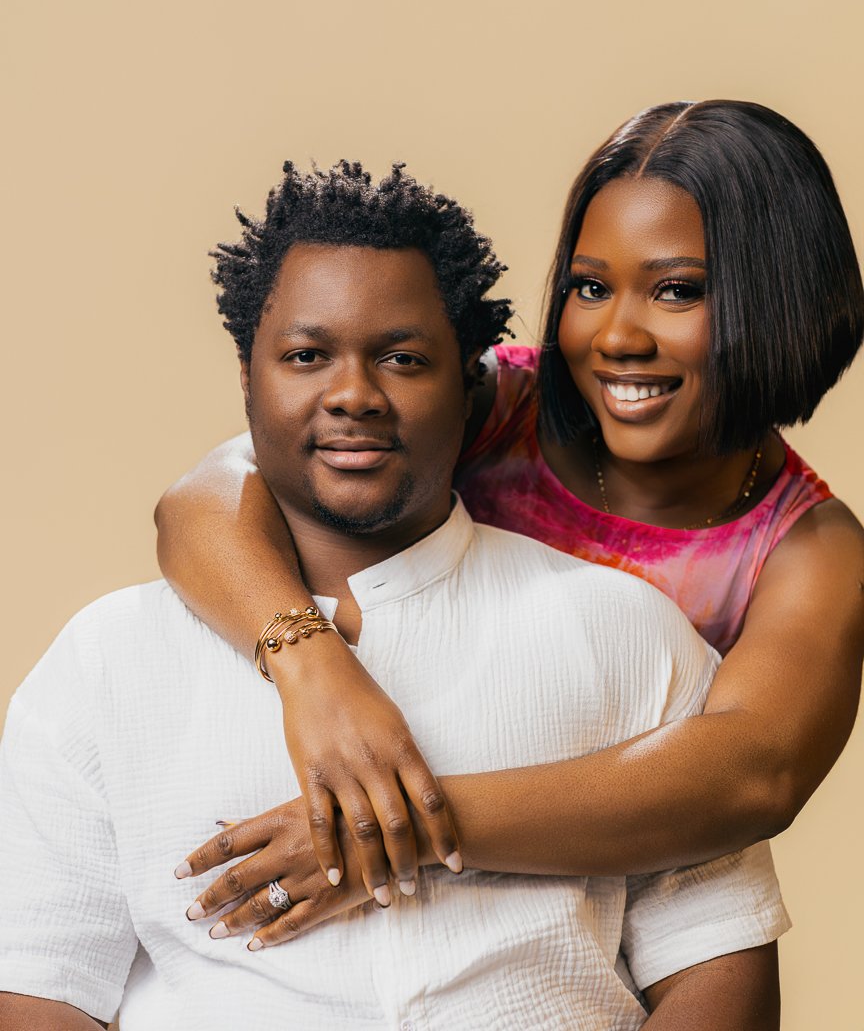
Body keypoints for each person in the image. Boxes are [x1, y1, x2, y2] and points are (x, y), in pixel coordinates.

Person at [0, 163, 787, 1030]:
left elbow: (718, 967)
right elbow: (40, 988)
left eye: (404, 360)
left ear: (470, 384)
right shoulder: (106, 661)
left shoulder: (625, 632)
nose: (353, 396)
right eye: (306, 356)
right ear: (247, 378)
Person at [154, 100, 864, 915]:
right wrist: (316, 673)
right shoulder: (495, 402)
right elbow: (201, 501)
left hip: (600, 914)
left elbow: (753, 775)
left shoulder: (809, 550)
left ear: (782, 300)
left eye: (676, 291)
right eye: (590, 286)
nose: (616, 337)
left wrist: (392, 825)